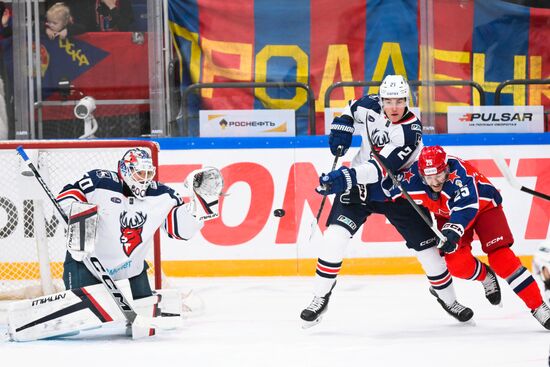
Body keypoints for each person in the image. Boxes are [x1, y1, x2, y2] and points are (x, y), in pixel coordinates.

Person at [300, 75, 473, 328]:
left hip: (398, 191)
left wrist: (344, 177)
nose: (394, 107)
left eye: (400, 101)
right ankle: (320, 297)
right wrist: (343, 124)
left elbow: (380, 169)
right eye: (389, 101)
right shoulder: (369, 105)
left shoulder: (410, 130)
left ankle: (448, 299)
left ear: (407, 101)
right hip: (359, 188)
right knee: (333, 239)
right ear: (381, 99)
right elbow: (351, 108)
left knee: (429, 253)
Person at [378, 145, 550, 329]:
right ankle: (485, 277)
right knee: (457, 264)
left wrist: (451, 234)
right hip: (449, 216)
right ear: (421, 175)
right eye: (429, 177)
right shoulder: (411, 180)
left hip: (485, 208)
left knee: (502, 259)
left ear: (446, 169)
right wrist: (356, 191)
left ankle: (539, 306)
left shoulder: (460, 176)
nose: (435, 182)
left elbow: (465, 209)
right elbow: (383, 190)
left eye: (439, 175)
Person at [56, 148, 223, 301]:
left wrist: (199, 206)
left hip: (131, 270)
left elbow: (179, 230)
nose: (144, 179)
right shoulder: (99, 182)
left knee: (145, 320)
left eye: (148, 173)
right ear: (124, 170)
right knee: (85, 316)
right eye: (139, 173)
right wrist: (79, 215)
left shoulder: (163, 195)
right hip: (86, 264)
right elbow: (67, 196)